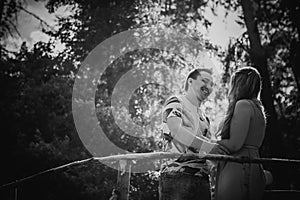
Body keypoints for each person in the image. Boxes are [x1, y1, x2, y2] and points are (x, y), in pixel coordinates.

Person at [159, 68, 228, 200]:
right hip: (176, 176)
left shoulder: (205, 118)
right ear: (190, 81)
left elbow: (210, 151)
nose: (208, 87)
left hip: (201, 179)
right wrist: (207, 146)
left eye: (212, 85)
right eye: (205, 81)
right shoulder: (176, 101)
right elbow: (175, 130)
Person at [212, 67, 267, 200]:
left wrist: (211, 143)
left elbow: (235, 144)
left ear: (239, 85)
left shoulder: (243, 105)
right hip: (254, 164)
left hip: (238, 166)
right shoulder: (258, 108)